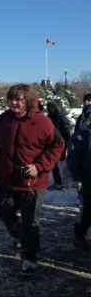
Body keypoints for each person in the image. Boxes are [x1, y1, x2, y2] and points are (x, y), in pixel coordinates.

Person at [0, 84, 66, 277]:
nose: (14, 102)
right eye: (11, 99)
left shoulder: (42, 122)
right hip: (6, 178)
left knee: (30, 221)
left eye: (18, 99)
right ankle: (19, 235)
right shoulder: (3, 120)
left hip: (32, 182)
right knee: (3, 209)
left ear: (27, 100)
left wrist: (40, 166)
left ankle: (29, 256)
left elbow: (58, 145)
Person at [66, 104, 91, 250]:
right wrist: (77, 178)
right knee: (86, 209)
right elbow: (72, 158)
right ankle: (79, 236)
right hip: (86, 181)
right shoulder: (78, 136)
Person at [45, 100, 73, 190]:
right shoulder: (48, 118)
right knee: (52, 165)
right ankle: (57, 182)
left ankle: (61, 183)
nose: (51, 109)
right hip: (49, 144)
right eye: (50, 107)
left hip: (60, 145)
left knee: (59, 165)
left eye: (53, 107)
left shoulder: (62, 119)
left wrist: (64, 149)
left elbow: (66, 135)